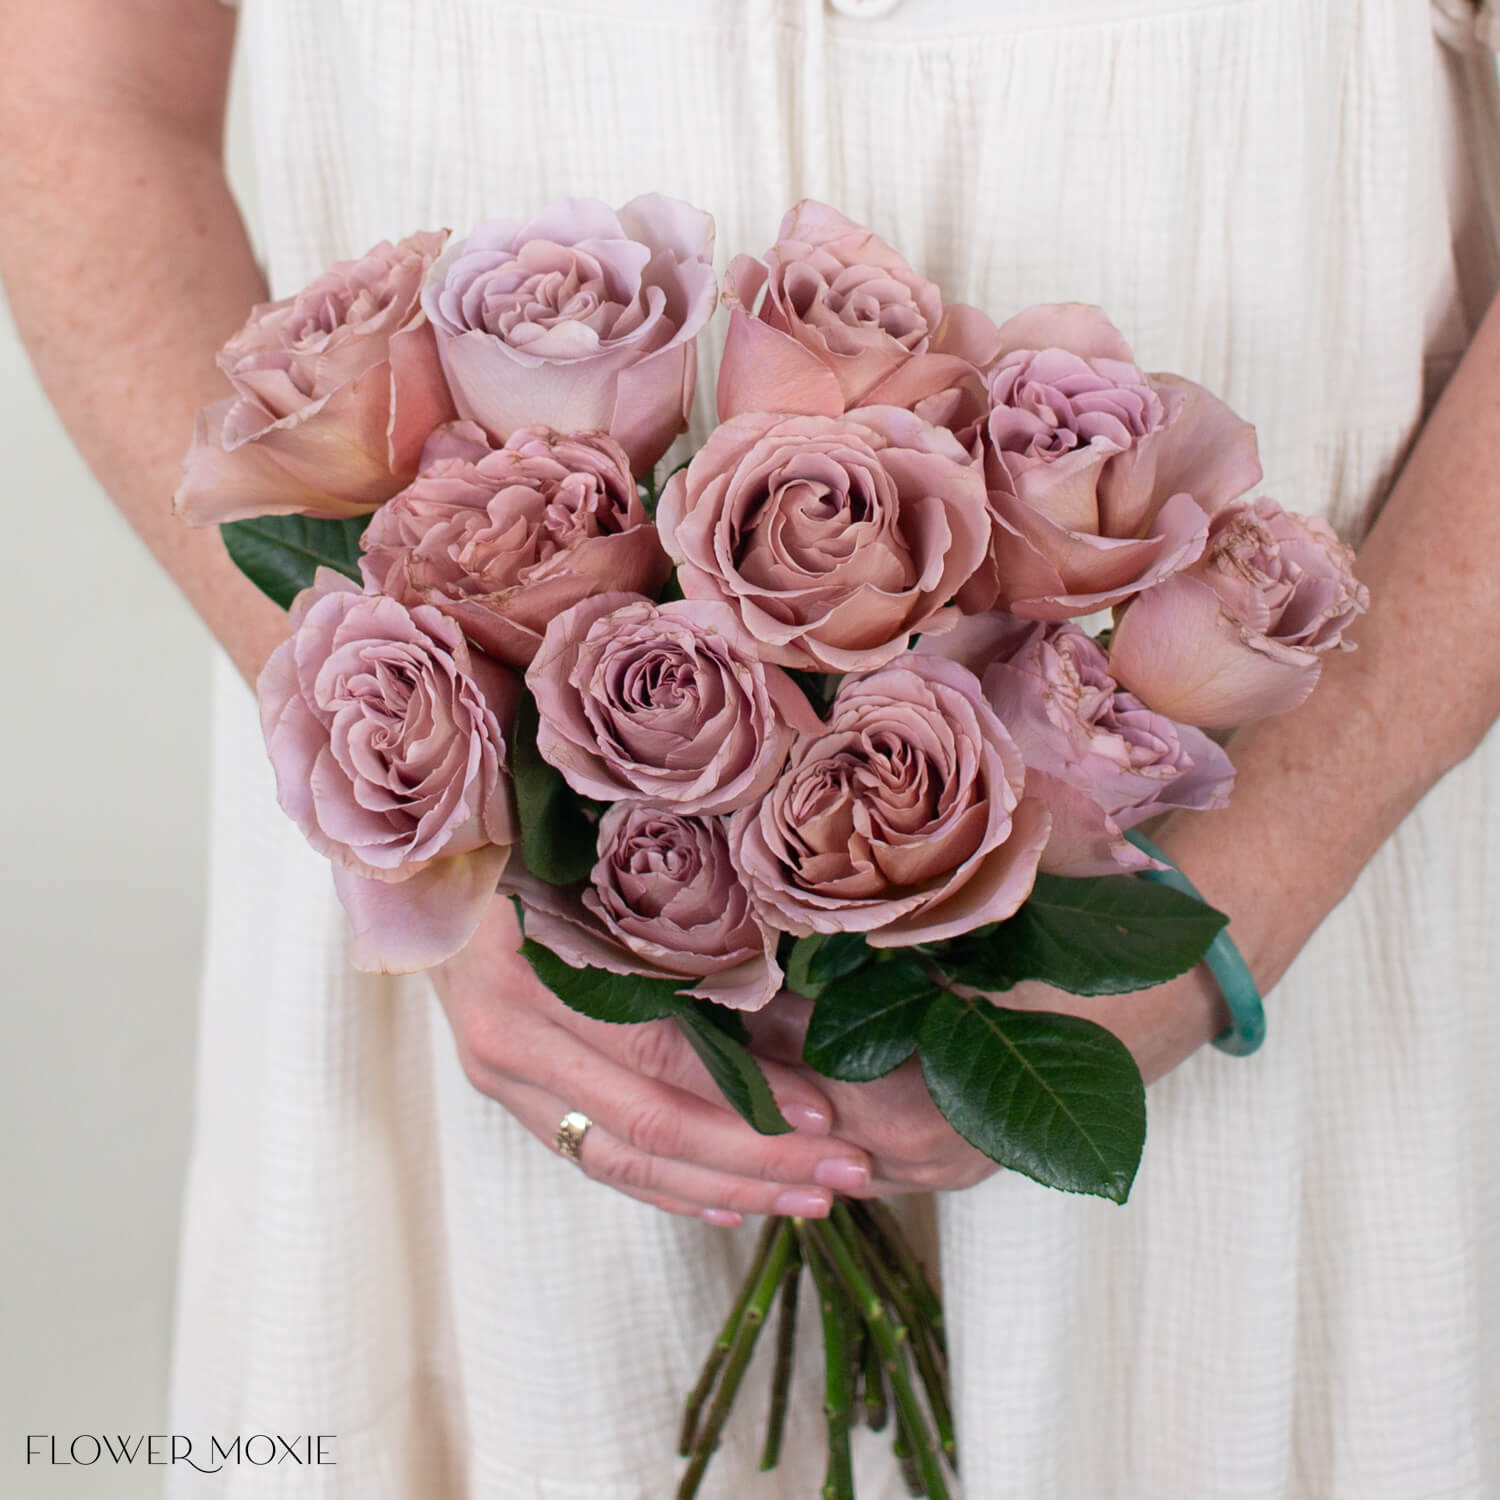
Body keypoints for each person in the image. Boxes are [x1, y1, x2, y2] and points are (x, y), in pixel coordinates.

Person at [4, 0, 1499, 1494]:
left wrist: (1242, 886)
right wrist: (432, 795)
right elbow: (75, 105)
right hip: (507, 1020)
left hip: (1292, 886)